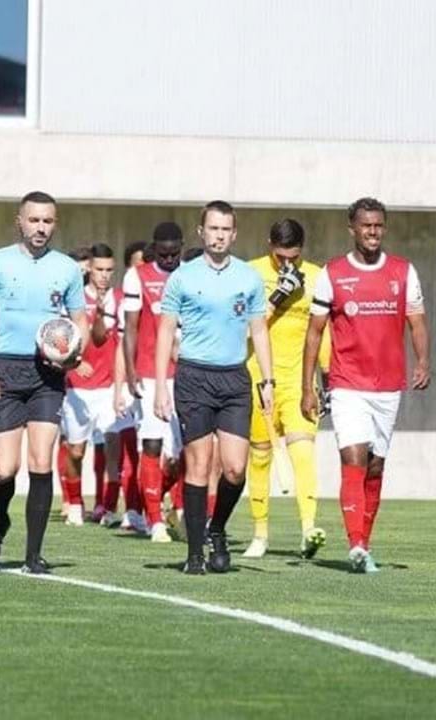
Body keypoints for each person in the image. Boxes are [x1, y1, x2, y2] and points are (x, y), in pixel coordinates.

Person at [302, 197, 429, 574]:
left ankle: (364, 543)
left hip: (388, 385)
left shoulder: (404, 272)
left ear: (383, 228)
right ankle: (355, 545)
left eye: (378, 225)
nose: (372, 231)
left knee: (375, 466)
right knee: (353, 457)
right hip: (346, 382)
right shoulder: (334, 273)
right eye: (365, 225)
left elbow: (417, 321)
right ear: (352, 228)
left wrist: (423, 360)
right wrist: (308, 385)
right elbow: (314, 333)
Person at [0, 191, 87, 575]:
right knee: (5, 468)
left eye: (48, 221)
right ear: (19, 221)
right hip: (4, 370)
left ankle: (34, 554)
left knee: (40, 460)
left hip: (47, 374)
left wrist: (75, 350)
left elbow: (79, 320)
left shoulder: (67, 268)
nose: (41, 227)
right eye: (34, 220)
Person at [154, 200, 274, 575]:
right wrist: (161, 385)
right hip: (194, 378)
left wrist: (267, 381)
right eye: (213, 229)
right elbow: (165, 331)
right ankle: (193, 554)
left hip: (235, 378)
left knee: (236, 468)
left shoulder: (248, 278)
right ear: (201, 232)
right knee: (199, 465)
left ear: (234, 234)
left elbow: (259, 330)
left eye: (226, 229)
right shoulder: (182, 277)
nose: (219, 236)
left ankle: (217, 528)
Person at [242, 219, 331, 559]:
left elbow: (322, 332)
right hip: (257, 379)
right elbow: (246, 331)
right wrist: (278, 295)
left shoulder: (316, 276)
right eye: (281, 257)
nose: (287, 264)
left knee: (303, 453)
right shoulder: (251, 274)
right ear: (269, 246)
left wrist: (327, 378)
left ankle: (309, 529)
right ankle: (260, 534)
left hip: (298, 382)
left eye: (293, 257)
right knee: (260, 457)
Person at [119, 222, 185, 541]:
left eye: (175, 253)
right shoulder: (137, 276)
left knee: (179, 456)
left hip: (186, 376)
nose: (170, 259)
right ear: (154, 250)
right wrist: (130, 372)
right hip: (148, 373)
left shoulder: (191, 274)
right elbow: (131, 327)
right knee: (152, 444)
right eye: (164, 253)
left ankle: (157, 500)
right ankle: (156, 520)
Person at [58, 243, 131, 527]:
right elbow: (60, 340)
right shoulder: (72, 299)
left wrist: (119, 387)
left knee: (113, 448)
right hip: (76, 387)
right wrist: (75, 363)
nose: (104, 275)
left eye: (109, 270)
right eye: (99, 269)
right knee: (76, 451)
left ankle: (109, 508)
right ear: (89, 268)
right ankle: (74, 502)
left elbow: (109, 342)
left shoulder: (121, 299)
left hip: (108, 386)